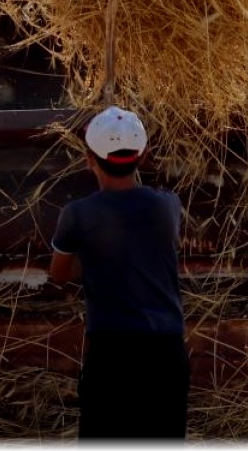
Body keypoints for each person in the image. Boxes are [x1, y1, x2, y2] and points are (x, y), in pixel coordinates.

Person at [49, 105, 189, 441]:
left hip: (112, 356)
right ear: (144, 155)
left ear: (89, 160)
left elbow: (59, 274)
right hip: (166, 353)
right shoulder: (168, 206)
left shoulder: (76, 215)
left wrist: (95, 255)